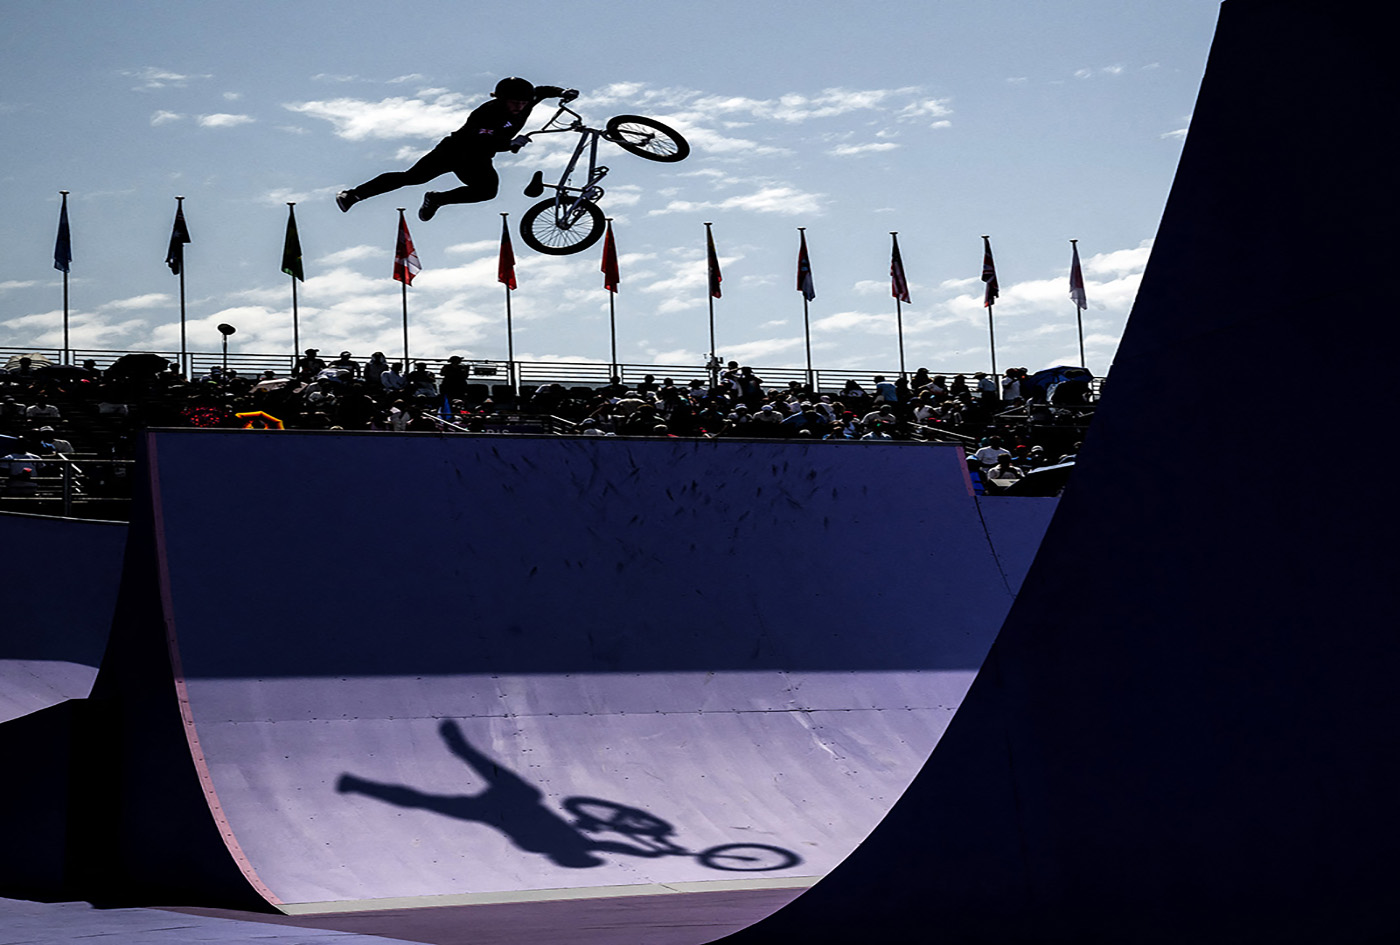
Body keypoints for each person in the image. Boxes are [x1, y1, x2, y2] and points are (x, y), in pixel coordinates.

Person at [336, 77, 577, 222]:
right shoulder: (486, 112)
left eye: (524, 103)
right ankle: (353, 194)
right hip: (456, 151)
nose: (520, 107)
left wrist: (562, 92)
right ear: (501, 99)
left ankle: (437, 200)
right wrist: (510, 144)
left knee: (487, 191)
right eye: (515, 103)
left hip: (479, 158)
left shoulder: (527, 100)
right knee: (412, 178)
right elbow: (484, 139)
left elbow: (542, 91)